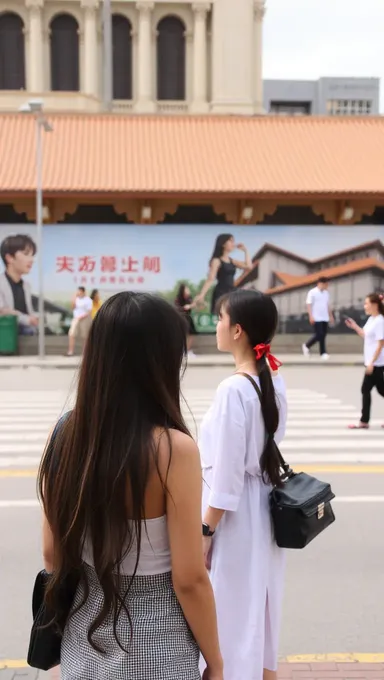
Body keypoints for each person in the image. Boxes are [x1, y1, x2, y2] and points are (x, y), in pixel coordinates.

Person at [39, 292, 223, 680]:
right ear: (161, 361)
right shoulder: (174, 449)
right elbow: (189, 578)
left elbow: (52, 553)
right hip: (159, 645)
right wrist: (216, 661)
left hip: (84, 637)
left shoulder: (67, 435)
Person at [199, 289, 287, 680]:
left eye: (219, 318)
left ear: (237, 330)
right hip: (263, 507)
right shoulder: (273, 379)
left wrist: (206, 529)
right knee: (260, 608)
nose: (216, 325)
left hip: (235, 519)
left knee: (228, 614)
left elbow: (227, 473)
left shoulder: (233, 389)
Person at [345, 293, 384, 429]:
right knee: (380, 390)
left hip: (377, 362)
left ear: (374, 305)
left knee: (365, 389)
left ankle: (364, 421)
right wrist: (355, 326)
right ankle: (364, 421)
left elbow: (381, 344)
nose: (365, 306)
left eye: (367, 303)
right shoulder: (371, 319)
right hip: (372, 362)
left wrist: (372, 363)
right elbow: (366, 336)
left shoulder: (380, 320)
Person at [195, 234, 251, 314]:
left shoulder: (232, 261)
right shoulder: (216, 261)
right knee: (221, 317)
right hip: (221, 293)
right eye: (230, 241)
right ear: (223, 244)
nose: (233, 243)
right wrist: (202, 295)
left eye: (233, 241)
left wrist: (245, 251)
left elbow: (248, 266)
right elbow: (210, 279)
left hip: (231, 293)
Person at [0, 233, 38, 335]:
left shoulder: (26, 285)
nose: (31, 260)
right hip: (5, 335)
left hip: (27, 335)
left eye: (32, 255)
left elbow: (29, 312)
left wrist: (34, 318)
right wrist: (27, 319)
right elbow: (3, 311)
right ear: (9, 258)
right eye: (26, 254)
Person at [302, 276, 334, 360]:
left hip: (325, 317)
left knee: (323, 335)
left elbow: (327, 305)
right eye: (326, 284)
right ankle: (307, 345)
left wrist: (331, 316)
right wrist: (310, 316)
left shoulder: (326, 293)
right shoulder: (312, 292)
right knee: (319, 334)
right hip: (316, 317)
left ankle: (323, 353)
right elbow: (308, 304)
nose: (327, 286)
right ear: (320, 283)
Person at [66, 287, 93, 356]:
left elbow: (89, 311)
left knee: (85, 336)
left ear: (83, 292)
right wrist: (74, 297)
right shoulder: (76, 299)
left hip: (85, 319)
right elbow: (72, 307)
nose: (79, 293)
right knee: (71, 334)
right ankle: (70, 351)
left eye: (80, 292)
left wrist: (82, 316)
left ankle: (85, 352)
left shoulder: (88, 300)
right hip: (76, 318)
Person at [175, 283, 197, 357]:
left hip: (189, 318)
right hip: (181, 318)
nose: (188, 290)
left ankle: (188, 350)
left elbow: (193, 305)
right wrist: (184, 307)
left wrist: (191, 305)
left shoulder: (189, 298)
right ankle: (182, 351)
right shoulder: (178, 298)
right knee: (183, 335)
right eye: (186, 289)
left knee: (192, 334)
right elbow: (177, 308)